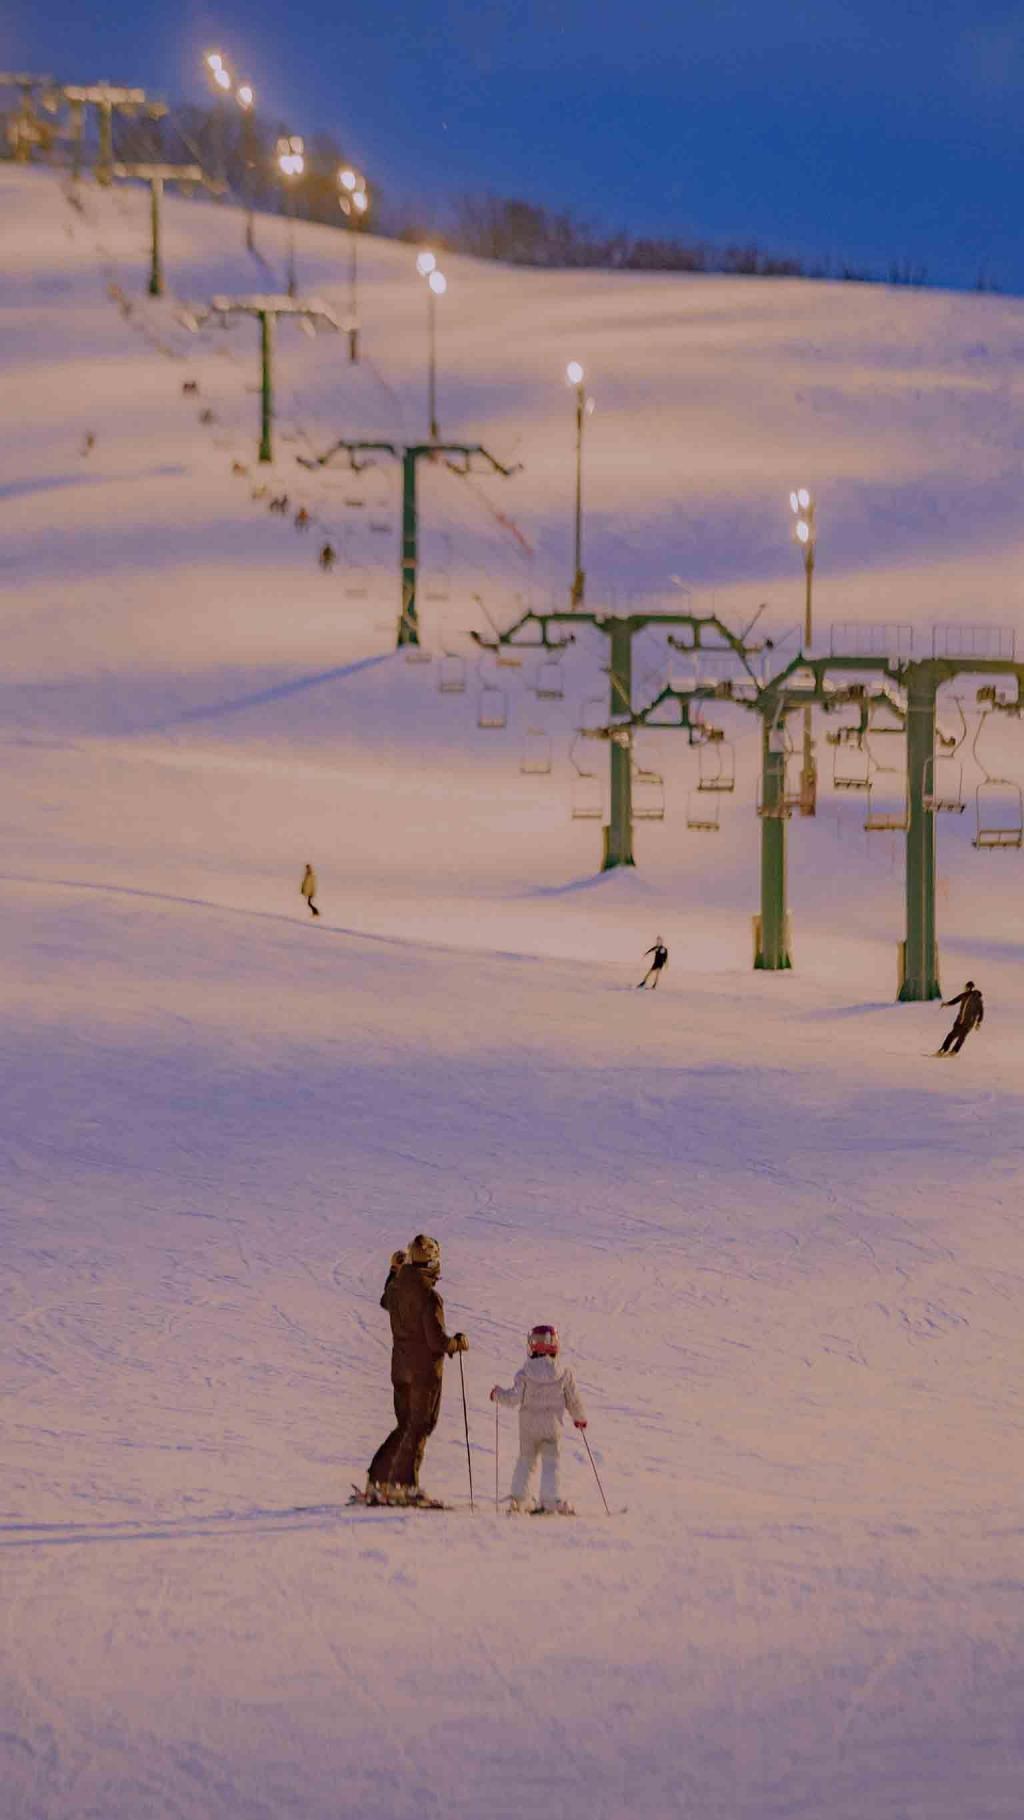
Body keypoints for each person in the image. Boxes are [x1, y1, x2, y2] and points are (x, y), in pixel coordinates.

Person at [366, 1234, 468, 1505]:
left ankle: (378, 1481)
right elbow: (436, 1341)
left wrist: (393, 1272)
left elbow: (386, 1300)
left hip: (399, 1368)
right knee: (419, 1426)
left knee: (404, 1425)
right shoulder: (430, 1297)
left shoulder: (398, 1288)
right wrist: (456, 1343)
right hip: (423, 1373)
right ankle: (405, 1486)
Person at [490, 1324, 586, 1515]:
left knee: (525, 1460)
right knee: (551, 1462)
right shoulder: (564, 1375)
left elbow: (513, 1398)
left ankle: (518, 1499)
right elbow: (573, 1400)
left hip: (528, 1428)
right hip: (552, 1428)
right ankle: (550, 1500)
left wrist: (497, 1394)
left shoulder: (524, 1374)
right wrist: (579, 1418)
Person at [938, 980, 984, 1055]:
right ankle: (943, 1049)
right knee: (951, 1035)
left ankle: (954, 1051)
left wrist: (978, 1022)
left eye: (966, 987)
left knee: (961, 1037)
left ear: (970, 988)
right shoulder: (963, 995)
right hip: (960, 1021)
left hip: (969, 1023)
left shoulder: (977, 999)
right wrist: (946, 1004)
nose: (965, 989)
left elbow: (981, 1012)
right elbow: (955, 1000)